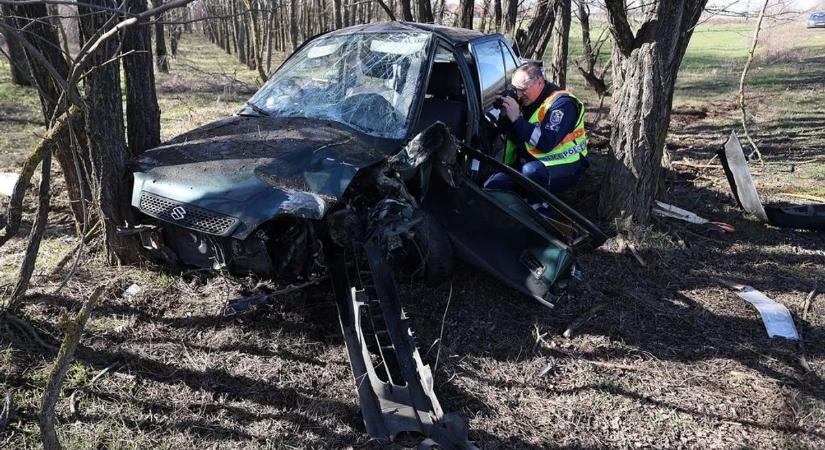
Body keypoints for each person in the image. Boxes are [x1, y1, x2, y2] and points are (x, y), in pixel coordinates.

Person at [484, 62, 589, 206]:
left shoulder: (562, 104)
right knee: (493, 185)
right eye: (515, 89)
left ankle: (542, 211)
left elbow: (546, 143)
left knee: (531, 172)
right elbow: (505, 132)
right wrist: (505, 114)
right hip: (531, 163)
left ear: (539, 82)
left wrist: (517, 118)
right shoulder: (526, 100)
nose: (519, 95)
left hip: (566, 165)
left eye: (523, 89)